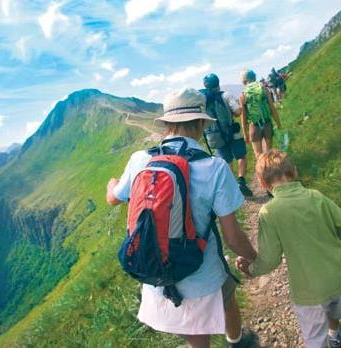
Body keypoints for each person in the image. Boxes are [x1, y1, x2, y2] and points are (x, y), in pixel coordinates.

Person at [107, 89, 258, 348]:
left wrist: (111, 184)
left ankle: (236, 340)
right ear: (200, 123)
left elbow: (114, 198)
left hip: (155, 268)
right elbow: (233, 239)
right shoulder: (215, 167)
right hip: (201, 272)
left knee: (197, 333)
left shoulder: (140, 160)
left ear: (167, 123)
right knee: (225, 296)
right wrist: (256, 258)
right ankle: (237, 341)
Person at [236, 150, 341, 348]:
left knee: (315, 340)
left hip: (307, 290)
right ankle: (335, 334)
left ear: (263, 183)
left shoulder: (270, 211)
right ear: (295, 171)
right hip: (337, 276)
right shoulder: (316, 197)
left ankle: (332, 336)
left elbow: (270, 259)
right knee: (334, 312)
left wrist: (251, 269)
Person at [200, 73, 253, 197]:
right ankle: (241, 180)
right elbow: (238, 111)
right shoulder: (226, 95)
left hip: (215, 137)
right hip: (232, 133)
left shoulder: (204, 101)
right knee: (241, 156)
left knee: (227, 161)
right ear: (218, 84)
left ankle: (232, 186)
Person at [240, 69, 282, 159]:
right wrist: (278, 123)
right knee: (269, 153)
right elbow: (272, 108)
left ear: (244, 81)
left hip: (254, 126)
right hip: (267, 123)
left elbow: (243, 117)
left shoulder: (243, 94)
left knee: (259, 155)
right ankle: (272, 170)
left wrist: (245, 133)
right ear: (254, 77)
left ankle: (262, 172)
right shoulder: (263, 89)